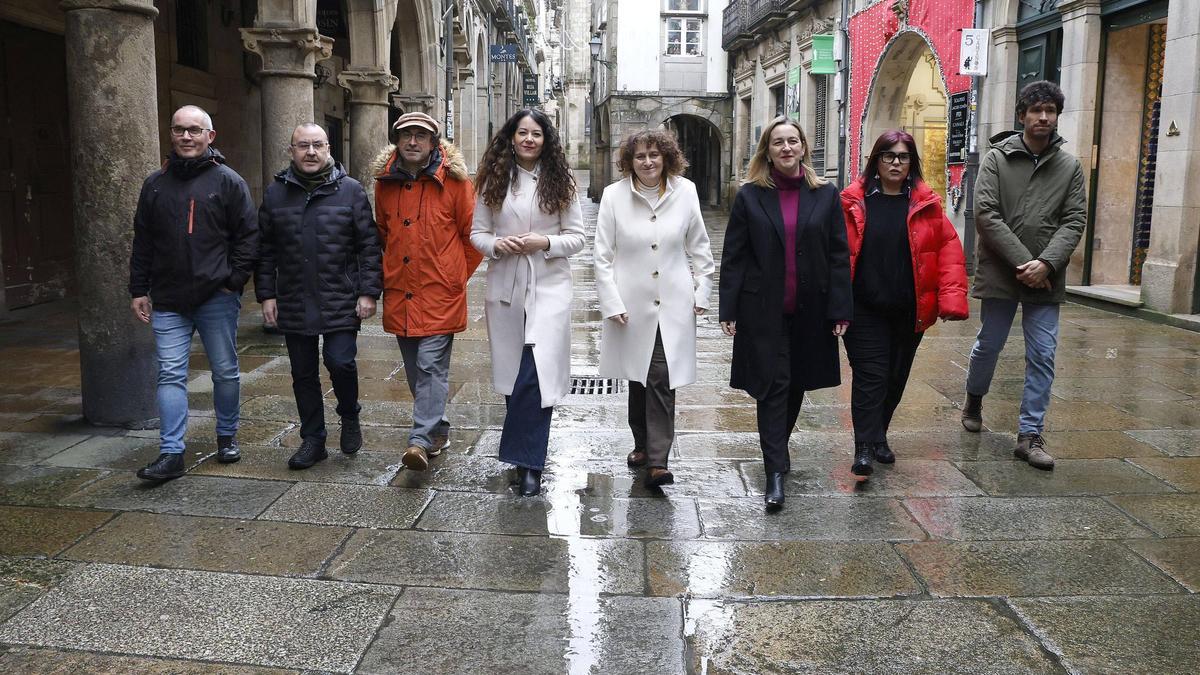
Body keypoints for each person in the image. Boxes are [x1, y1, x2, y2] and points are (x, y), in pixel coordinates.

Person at [718, 116, 852, 510]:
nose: (787, 148)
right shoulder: (750, 196)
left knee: (795, 384)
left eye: (793, 141)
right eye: (778, 142)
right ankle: (774, 470)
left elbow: (838, 255)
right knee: (772, 385)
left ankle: (780, 449)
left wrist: (841, 308)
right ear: (768, 151)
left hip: (811, 308)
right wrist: (729, 306)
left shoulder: (825, 195)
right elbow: (734, 256)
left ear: (804, 147)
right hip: (763, 310)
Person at [961, 80, 1086, 470]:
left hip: (1047, 276)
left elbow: (1075, 219)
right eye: (1037, 111)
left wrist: (1046, 264)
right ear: (1022, 115)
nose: (1044, 118)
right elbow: (986, 214)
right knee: (989, 345)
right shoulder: (998, 158)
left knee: (1043, 354)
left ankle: (1029, 434)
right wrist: (1024, 263)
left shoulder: (1070, 166)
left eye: (1050, 111)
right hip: (1002, 271)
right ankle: (974, 398)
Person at [128, 105, 257, 481]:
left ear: (209, 137)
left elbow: (248, 238)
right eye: (180, 130)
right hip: (168, 298)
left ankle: (227, 435)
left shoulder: (228, 181)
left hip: (216, 296)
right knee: (169, 374)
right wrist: (139, 289)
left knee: (225, 371)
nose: (187, 137)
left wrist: (233, 281)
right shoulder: (155, 184)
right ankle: (171, 453)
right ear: (171, 134)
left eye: (195, 131)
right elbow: (143, 242)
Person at [840, 130, 968, 478]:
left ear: (912, 163)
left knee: (895, 376)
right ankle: (864, 447)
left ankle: (879, 434)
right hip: (863, 307)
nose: (896, 162)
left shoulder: (925, 204)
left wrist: (952, 299)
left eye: (903, 156)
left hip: (910, 309)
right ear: (876, 162)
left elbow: (949, 251)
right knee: (871, 376)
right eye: (888, 155)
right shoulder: (853, 201)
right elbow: (836, 255)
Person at [471, 109, 585, 497]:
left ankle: (529, 464)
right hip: (505, 284)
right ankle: (524, 456)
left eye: (536, 134)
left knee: (536, 374)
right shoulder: (493, 180)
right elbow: (477, 233)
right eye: (522, 133)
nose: (529, 140)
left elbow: (577, 238)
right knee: (511, 376)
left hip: (550, 286)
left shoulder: (560, 182)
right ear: (511, 137)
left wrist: (546, 243)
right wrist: (497, 246)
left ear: (546, 140)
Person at [256, 123, 381, 469]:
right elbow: (264, 250)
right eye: (302, 146)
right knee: (303, 372)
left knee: (340, 361)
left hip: (340, 295)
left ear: (328, 149)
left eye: (317, 145)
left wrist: (368, 292)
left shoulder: (351, 191)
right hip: (294, 298)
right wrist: (267, 295)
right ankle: (313, 439)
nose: (310, 152)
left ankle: (349, 414)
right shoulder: (275, 193)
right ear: (291, 151)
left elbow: (369, 246)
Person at [594, 130, 714, 489]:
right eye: (640, 156)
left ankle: (658, 460)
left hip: (673, 301)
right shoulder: (613, 196)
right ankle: (642, 444)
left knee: (661, 375)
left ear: (666, 157)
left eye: (654, 155)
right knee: (638, 374)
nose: (648, 162)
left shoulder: (686, 191)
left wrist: (703, 291)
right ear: (629, 162)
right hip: (630, 301)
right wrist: (611, 301)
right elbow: (601, 256)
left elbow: (700, 248)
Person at [369, 112, 481, 472]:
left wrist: (454, 275)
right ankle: (438, 429)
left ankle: (418, 440)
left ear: (434, 143)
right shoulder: (384, 183)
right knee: (415, 369)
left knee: (431, 365)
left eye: (421, 136)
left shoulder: (457, 183)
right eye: (406, 136)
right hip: (402, 291)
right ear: (397, 141)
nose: (413, 142)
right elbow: (384, 232)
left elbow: (473, 237)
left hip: (440, 291)